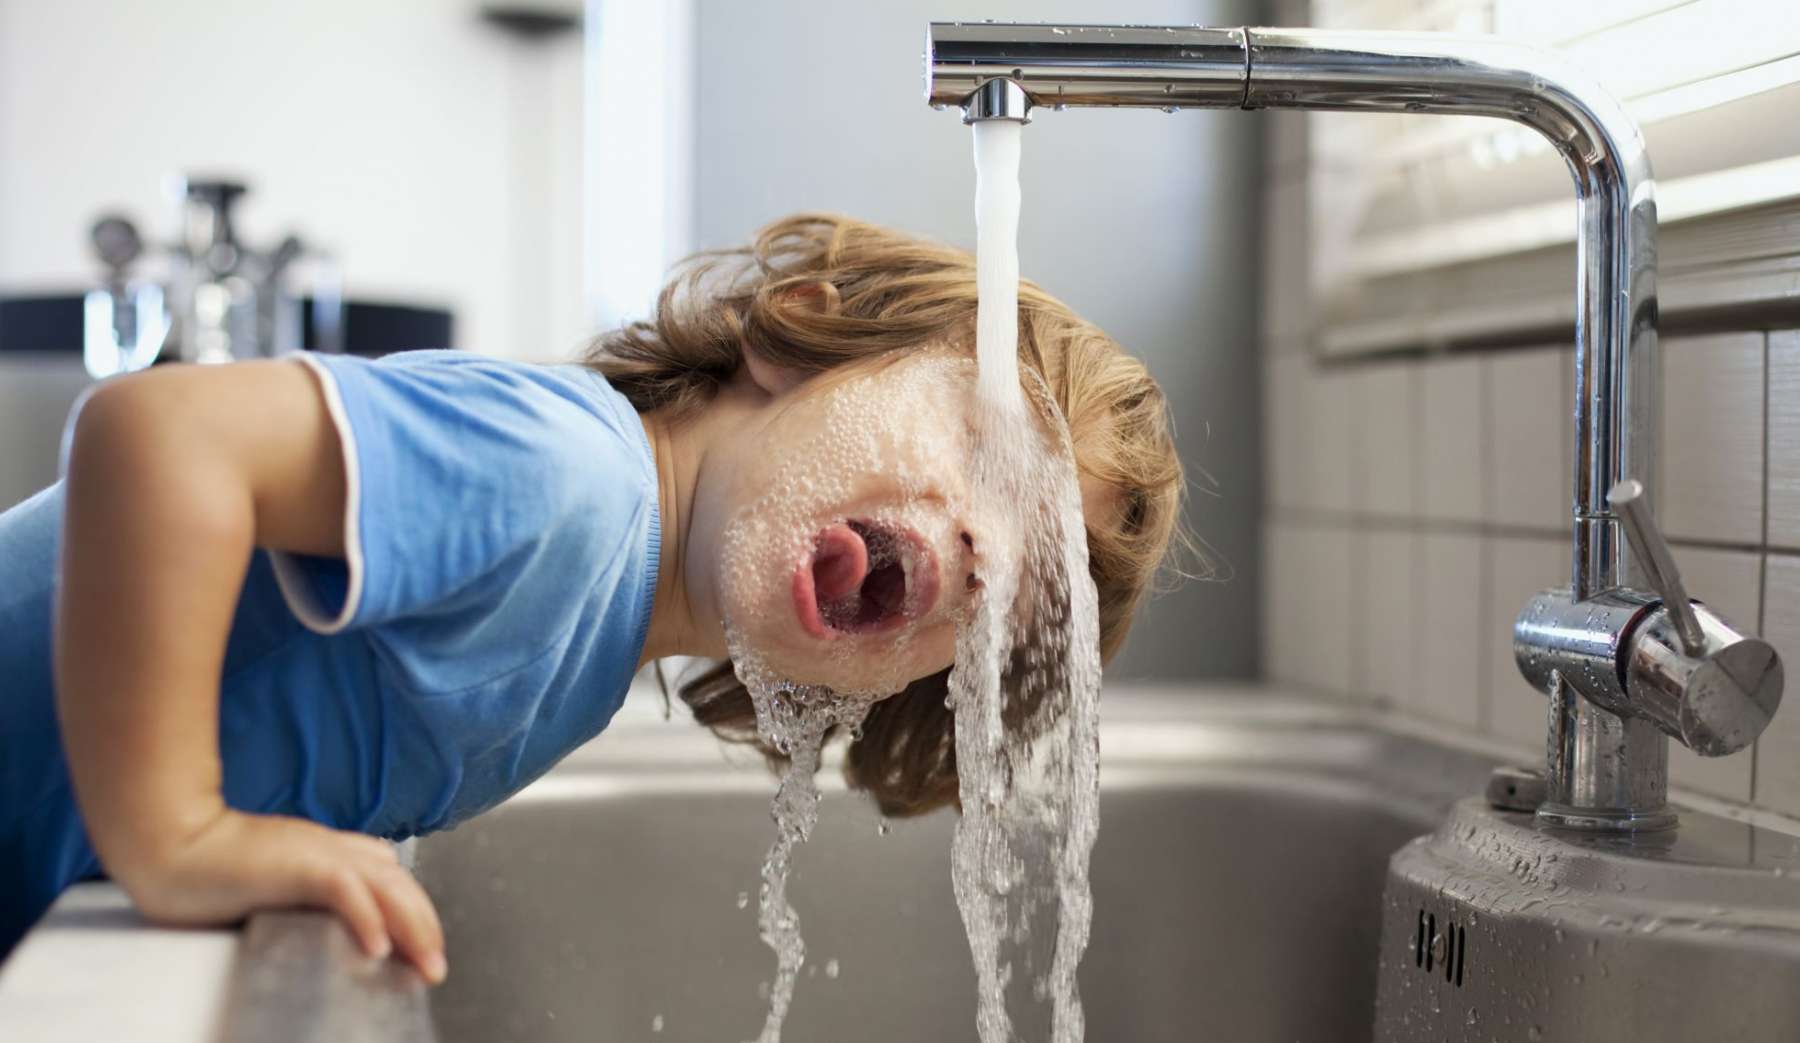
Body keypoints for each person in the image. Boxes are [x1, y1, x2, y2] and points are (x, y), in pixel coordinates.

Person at [0, 213, 1185, 980]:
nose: (983, 558)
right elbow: (156, 437)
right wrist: (176, 832)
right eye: (990, 455)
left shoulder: (598, 638)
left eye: (1017, 610)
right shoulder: (572, 478)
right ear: (800, 337)